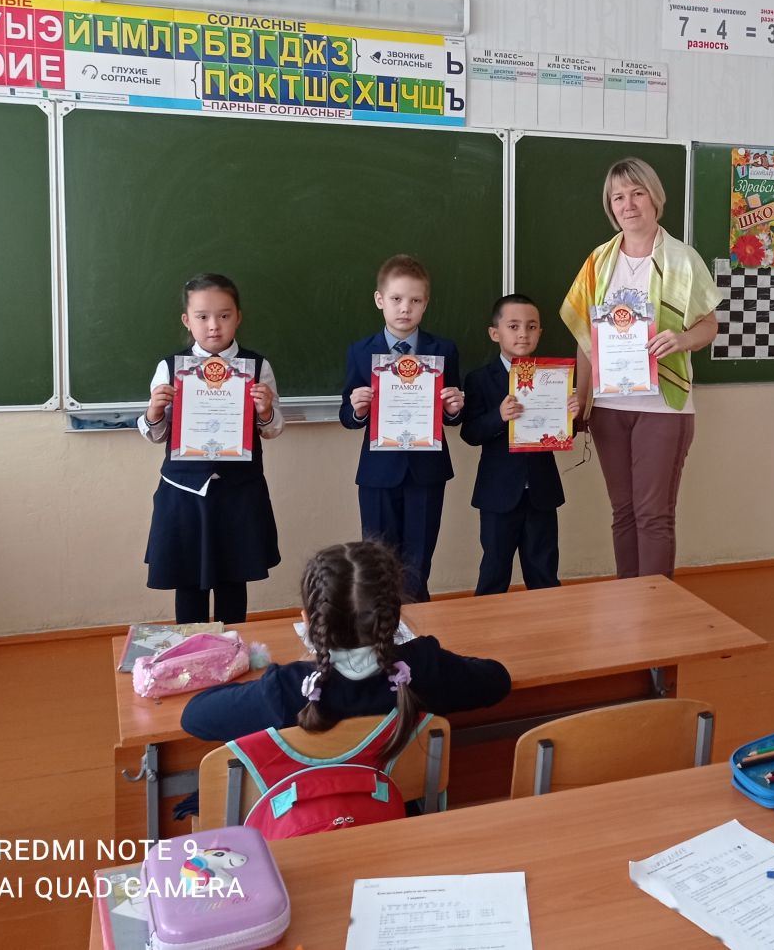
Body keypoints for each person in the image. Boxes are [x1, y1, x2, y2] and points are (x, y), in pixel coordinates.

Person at [560, 158, 720, 578]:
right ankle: (628, 601)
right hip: (609, 407)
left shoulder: (683, 259)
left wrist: (682, 339)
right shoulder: (598, 261)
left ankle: (655, 606)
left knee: (653, 515)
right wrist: (582, 398)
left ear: (655, 199)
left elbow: (709, 325)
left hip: (663, 407)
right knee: (624, 513)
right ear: (610, 206)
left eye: (637, 193)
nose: (628, 204)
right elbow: (585, 338)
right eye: (618, 197)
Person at [181, 541, 511, 745]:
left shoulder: (286, 688)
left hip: (307, 826)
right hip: (398, 814)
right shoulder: (424, 666)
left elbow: (194, 716)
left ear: (310, 621)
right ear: (394, 617)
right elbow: (497, 680)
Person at [139, 273, 282, 624]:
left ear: (238, 317)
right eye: (202, 316)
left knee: (234, 579)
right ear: (187, 320)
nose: (214, 325)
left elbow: (272, 429)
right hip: (183, 491)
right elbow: (156, 434)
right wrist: (154, 412)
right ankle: (194, 650)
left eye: (224, 315)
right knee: (188, 582)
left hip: (239, 491)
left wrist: (265, 410)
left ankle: (233, 649)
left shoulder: (257, 367)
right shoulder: (170, 368)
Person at [340, 254, 465, 602]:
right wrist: (358, 409)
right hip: (378, 473)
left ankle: (417, 628)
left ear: (426, 303)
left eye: (415, 300)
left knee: (418, 564)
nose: (405, 308)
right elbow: (347, 415)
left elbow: (452, 414)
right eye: (396, 298)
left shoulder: (444, 350)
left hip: (427, 471)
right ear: (380, 300)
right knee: (376, 564)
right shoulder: (360, 351)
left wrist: (454, 409)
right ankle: (380, 628)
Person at [459, 294, 579, 594]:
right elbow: (470, 433)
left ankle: (546, 621)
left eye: (531, 326)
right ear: (495, 333)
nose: (523, 333)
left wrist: (572, 417)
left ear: (540, 332)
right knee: (494, 570)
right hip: (498, 492)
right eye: (513, 326)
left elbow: (565, 433)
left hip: (542, 490)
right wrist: (499, 417)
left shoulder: (554, 378)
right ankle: (486, 621)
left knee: (544, 570)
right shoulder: (479, 380)